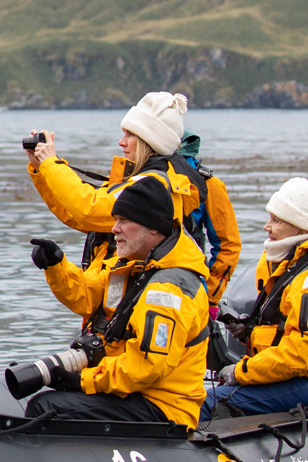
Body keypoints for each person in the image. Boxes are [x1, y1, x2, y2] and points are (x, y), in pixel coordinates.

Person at [23, 176, 210, 426]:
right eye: (116, 220)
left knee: (45, 406)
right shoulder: (134, 264)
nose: (114, 229)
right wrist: (56, 265)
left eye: (124, 221)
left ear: (153, 227)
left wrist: (83, 381)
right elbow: (86, 298)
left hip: (163, 406)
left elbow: (147, 366)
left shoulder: (168, 289)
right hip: (131, 389)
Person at [25, 91, 242, 304]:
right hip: (119, 291)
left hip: (152, 294)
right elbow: (86, 218)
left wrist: (208, 297)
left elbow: (89, 209)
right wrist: (41, 169)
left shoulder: (154, 184)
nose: (121, 142)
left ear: (150, 141)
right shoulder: (137, 180)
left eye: (130, 135)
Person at [204, 178, 308, 420]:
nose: (266, 227)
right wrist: (248, 331)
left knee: (210, 403)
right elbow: (284, 329)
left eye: (276, 221)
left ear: (300, 228)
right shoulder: (285, 260)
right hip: (301, 377)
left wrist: (241, 371)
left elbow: (303, 354)